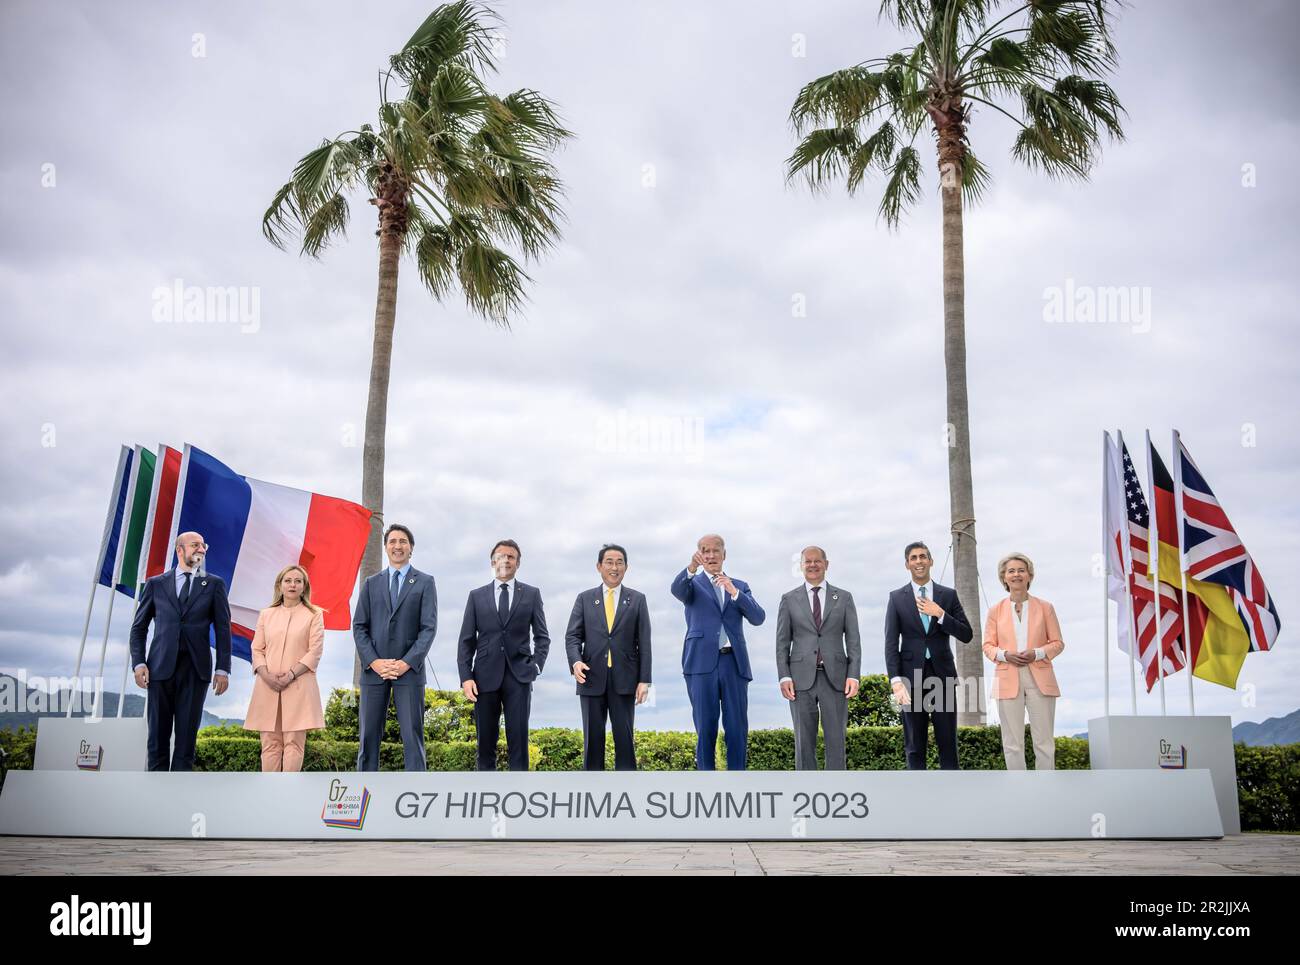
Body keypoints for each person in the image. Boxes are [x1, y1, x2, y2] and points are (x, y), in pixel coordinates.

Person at [129, 531, 232, 771]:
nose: (202, 550)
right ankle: (155, 799)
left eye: (204, 546)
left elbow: (223, 629)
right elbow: (138, 628)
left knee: (186, 743)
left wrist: (223, 669)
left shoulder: (214, 584)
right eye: (196, 545)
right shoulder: (156, 584)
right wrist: (139, 663)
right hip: (159, 670)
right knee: (157, 740)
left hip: (196, 672)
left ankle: (178, 800)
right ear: (179, 550)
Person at [670, 533, 765, 771]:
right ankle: (706, 780)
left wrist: (734, 592)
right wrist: (691, 568)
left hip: (733, 664)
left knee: (736, 727)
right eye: (705, 550)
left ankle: (737, 779)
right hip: (700, 664)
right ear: (699, 554)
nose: (710, 555)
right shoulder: (691, 584)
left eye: (715, 550)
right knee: (705, 726)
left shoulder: (740, 586)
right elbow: (676, 590)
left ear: (724, 554)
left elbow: (758, 617)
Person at [457, 539, 551, 771]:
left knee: (518, 740)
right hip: (484, 678)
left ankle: (519, 796)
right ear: (492, 562)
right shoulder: (476, 596)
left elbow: (542, 637)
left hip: (519, 676)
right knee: (485, 742)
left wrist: (536, 667)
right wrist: (466, 677)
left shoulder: (531, 594)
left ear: (518, 563)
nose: (506, 560)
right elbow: (466, 641)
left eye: (511, 556)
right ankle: (485, 795)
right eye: (501, 556)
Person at [352, 523, 438, 772]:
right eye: (392, 541)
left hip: (409, 672)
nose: (397, 546)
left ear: (411, 548)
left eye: (402, 541)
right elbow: (359, 627)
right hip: (374, 671)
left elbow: (428, 629)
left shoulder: (425, 582)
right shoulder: (371, 583)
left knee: (413, 736)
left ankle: (416, 793)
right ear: (386, 547)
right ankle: (364, 789)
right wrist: (375, 662)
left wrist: (406, 663)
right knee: (368, 738)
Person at [883, 541, 972, 770]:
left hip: (942, 677)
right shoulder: (896, 598)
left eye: (923, 556)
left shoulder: (948, 596)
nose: (919, 561)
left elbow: (966, 634)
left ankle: (951, 794)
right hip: (910, 680)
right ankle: (917, 795)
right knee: (914, 744)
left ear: (930, 561)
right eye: (914, 558)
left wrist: (940, 613)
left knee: (947, 742)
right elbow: (891, 643)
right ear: (907, 564)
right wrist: (895, 681)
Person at [564, 544, 652, 770]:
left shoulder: (638, 599)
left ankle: (627, 792)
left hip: (625, 680)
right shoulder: (584, 599)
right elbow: (573, 636)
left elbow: (644, 642)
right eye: (609, 562)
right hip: (591, 678)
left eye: (619, 562)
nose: (615, 567)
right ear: (599, 566)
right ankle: (593, 795)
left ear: (626, 567)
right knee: (592, 741)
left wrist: (644, 680)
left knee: (625, 741)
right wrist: (575, 661)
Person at [775, 546, 861, 770]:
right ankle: (806, 790)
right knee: (803, 742)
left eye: (817, 561)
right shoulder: (788, 599)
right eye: (808, 562)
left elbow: (853, 641)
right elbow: (782, 643)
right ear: (801, 566)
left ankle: (836, 790)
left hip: (835, 679)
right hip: (799, 680)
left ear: (826, 564)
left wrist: (854, 675)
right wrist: (784, 676)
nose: (813, 565)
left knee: (836, 740)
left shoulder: (843, 597)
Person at [983, 552, 1064, 770]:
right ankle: (1018, 791)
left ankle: (1046, 789)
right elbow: (988, 646)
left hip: (1040, 678)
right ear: (1004, 578)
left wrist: (1036, 653)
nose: (1016, 574)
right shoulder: (994, 611)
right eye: (1011, 571)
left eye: (1021, 570)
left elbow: (1057, 643)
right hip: (1007, 678)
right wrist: (1005, 655)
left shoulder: (1046, 608)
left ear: (1029, 575)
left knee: (1044, 742)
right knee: (1012, 744)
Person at [244, 564, 326, 772]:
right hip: (267, 685)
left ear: (304, 586)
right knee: (270, 744)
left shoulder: (314, 614)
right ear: (279, 585)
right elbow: (257, 649)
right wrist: (266, 675)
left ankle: (289, 795)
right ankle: (269, 795)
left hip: (299, 684)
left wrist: (290, 674)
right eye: (288, 580)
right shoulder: (266, 614)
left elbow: (314, 651)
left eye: (298, 581)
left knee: (293, 744)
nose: (292, 585)